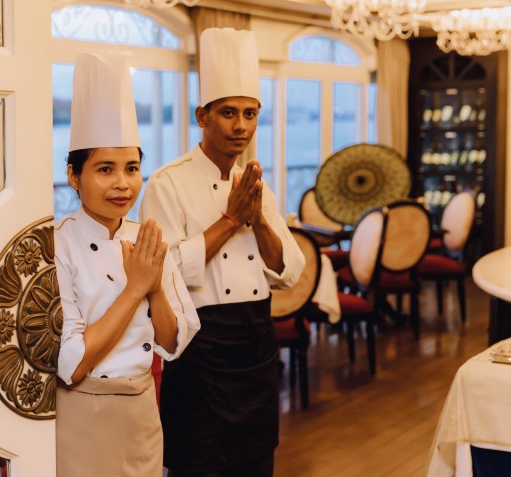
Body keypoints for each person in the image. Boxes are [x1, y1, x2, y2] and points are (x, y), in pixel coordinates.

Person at [140, 28, 306, 477]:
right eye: (229, 113)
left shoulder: (253, 183)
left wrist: (258, 218)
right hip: (201, 346)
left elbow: (289, 270)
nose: (241, 126)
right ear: (202, 116)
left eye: (250, 114)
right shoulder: (167, 183)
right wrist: (230, 219)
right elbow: (165, 270)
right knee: (199, 464)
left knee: (257, 462)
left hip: (257, 341)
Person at [54, 52, 200, 477]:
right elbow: (73, 364)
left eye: (132, 168)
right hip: (82, 417)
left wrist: (155, 288)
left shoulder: (148, 238)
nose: (122, 183)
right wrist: (137, 288)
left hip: (142, 412)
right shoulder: (57, 243)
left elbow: (173, 343)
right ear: (74, 176)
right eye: (105, 169)